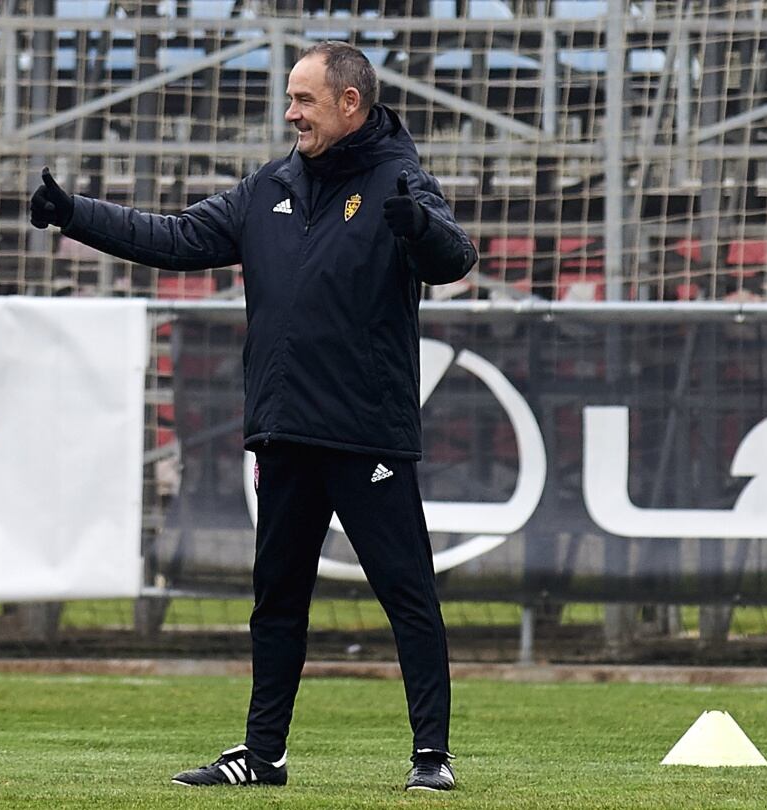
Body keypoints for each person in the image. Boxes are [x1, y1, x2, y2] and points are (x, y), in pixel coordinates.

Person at [30, 40, 477, 793]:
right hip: (284, 428)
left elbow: (454, 256)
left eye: (304, 99)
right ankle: (262, 755)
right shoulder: (267, 186)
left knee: (406, 594)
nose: (290, 112)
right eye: (290, 98)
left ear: (349, 103)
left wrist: (417, 227)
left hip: (366, 431)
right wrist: (75, 215)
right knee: (276, 600)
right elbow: (173, 237)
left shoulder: (402, 181)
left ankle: (431, 756)